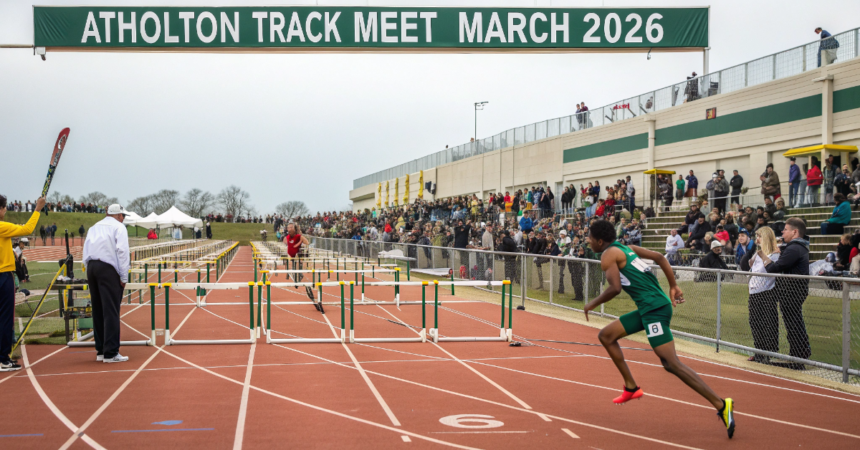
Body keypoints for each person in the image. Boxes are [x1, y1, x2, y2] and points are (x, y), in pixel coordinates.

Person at [582, 220, 734, 437]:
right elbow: (661, 257)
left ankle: (721, 404)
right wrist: (673, 285)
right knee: (606, 336)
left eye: (589, 237)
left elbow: (615, 288)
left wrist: (591, 304)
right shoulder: (627, 247)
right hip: (650, 307)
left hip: (653, 310)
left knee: (671, 363)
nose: (587, 241)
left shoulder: (608, 254)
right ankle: (631, 387)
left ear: (599, 240)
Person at [82, 204, 131, 364]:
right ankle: (111, 352)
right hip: (108, 268)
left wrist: (87, 268)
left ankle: (101, 351)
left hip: (92, 267)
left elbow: (86, 248)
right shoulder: (119, 227)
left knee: (98, 309)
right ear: (118, 216)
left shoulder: (94, 227)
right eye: (122, 215)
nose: (123, 218)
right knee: (111, 310)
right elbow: (122, 252)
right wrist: (124, 277)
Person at [0, 196, 44, 371]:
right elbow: (27, 228)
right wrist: (38, 209)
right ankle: (3, 359)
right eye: (4, 209)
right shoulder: (2, 226)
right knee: (5, 318)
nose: (5, 212)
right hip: (3, 276)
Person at [762, 217, 811, 364]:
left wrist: (763, 256)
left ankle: (798, 356)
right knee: (793, 322)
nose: (782, 233)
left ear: (795, 232)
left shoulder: (794, 248)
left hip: (792, 291)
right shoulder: (796, 247)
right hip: (791, 291)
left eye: (786, 230)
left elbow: (773, 268)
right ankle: (799, 355)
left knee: (794, 323)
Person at [740, 227, 781, 364]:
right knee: (754, 322)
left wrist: (763, 255)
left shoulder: (774, 254)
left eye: (759, 236)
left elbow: (771, 269)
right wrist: (753, 256)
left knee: (767, 323)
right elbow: (748, 265)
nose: (757, 239)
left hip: (767, 292)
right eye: (756, 236)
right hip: (754, 291)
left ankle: (767, 353)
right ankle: (758, 351)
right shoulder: (757, 253)